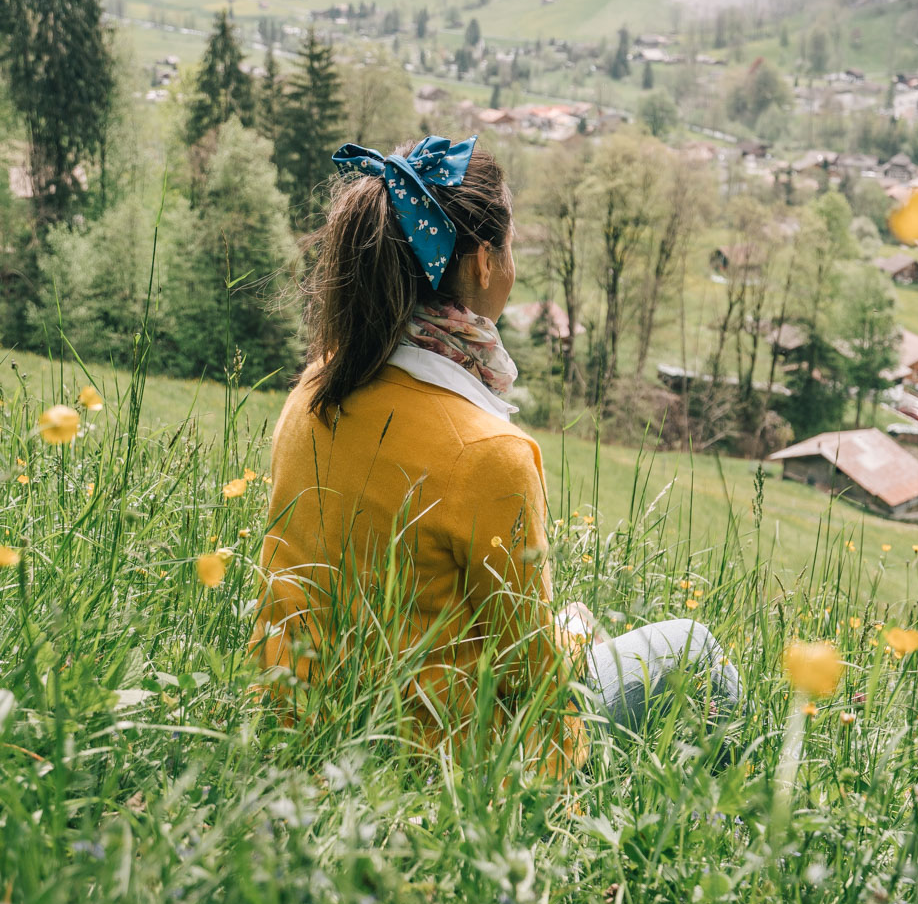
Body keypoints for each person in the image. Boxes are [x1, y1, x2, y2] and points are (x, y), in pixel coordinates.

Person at [252, 135, 739, 768]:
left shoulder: (317, 386)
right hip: (437, 765)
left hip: (306, 723)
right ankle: (714, 840)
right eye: (509, 249)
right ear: (483, 263)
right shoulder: (488, 454)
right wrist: (573, 635)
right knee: (693, 647)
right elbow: (533, 678)